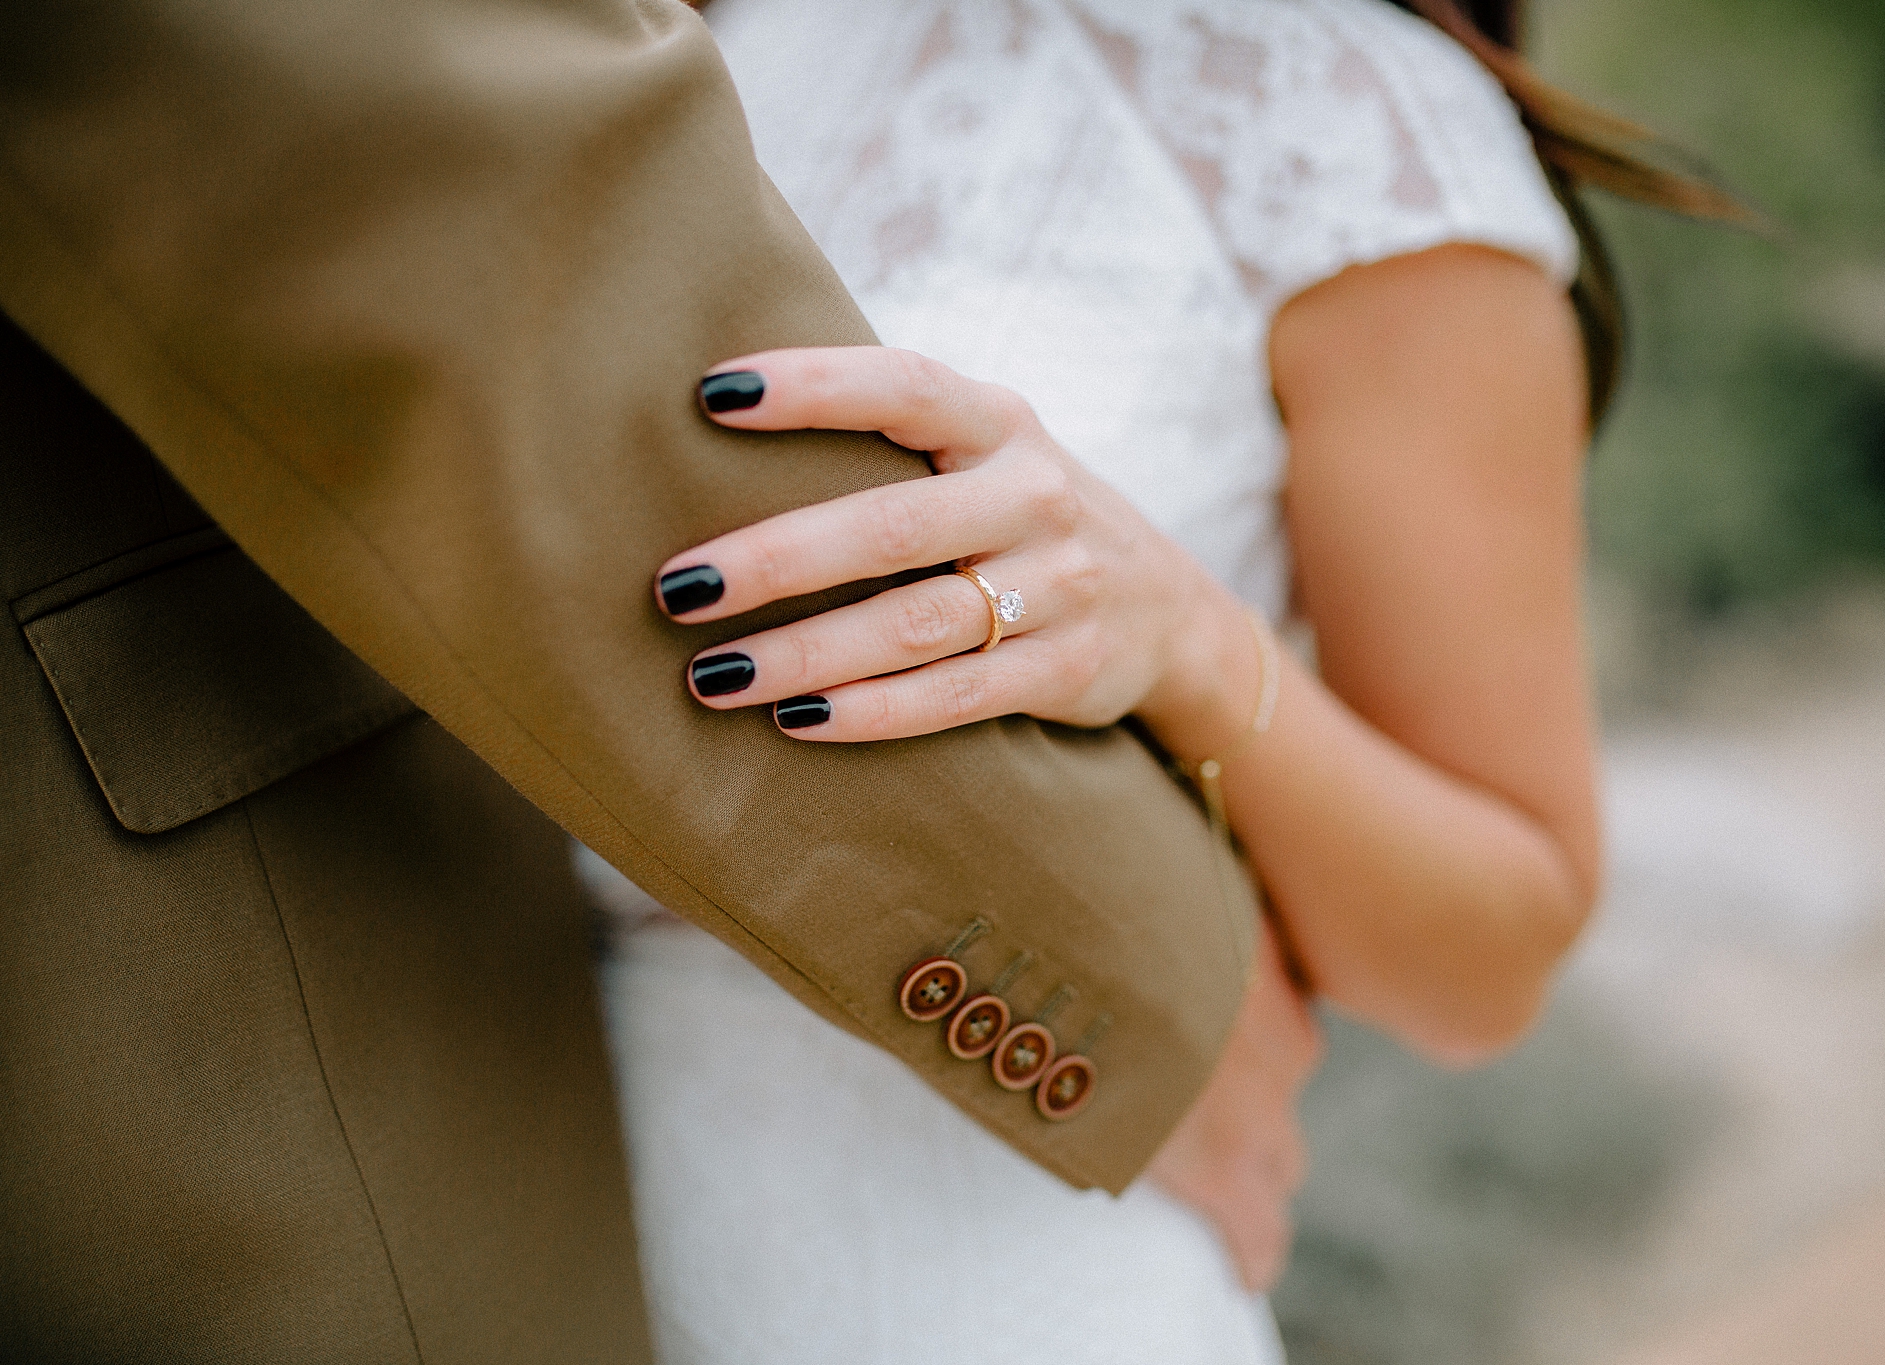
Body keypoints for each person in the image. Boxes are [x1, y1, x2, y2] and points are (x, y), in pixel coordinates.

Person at [0, 0, 1272, 1355]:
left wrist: (1197, 646)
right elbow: (487, 216)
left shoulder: (1351, 134)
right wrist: (1140, 994)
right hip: (352, 1057)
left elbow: (1508, 903)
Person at [592, 0, 1747, 1359]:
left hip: (981, 1269)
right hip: (477, 1187)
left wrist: (1182, 634)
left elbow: (1494, 948)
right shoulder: (651, 34)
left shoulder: (1360, 135)